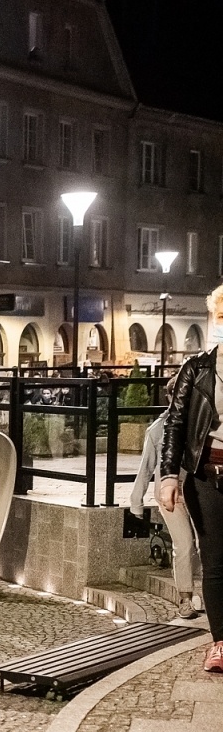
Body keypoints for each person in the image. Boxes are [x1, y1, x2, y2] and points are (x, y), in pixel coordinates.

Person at [158, 282, 223, 668]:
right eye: (222, 315)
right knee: (215, 560)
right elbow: (175, 426)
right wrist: (169, 477)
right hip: (207, 475)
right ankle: (220, 643)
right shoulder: (197, 369)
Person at [131, 409, 201, 620]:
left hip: (197, 492)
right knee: (184, 543)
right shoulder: (157, 429)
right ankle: (185, 598)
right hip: (169, 494)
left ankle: (203, 594)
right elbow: (146, 466)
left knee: (203, 544)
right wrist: (136, 501)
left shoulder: (200, 420)